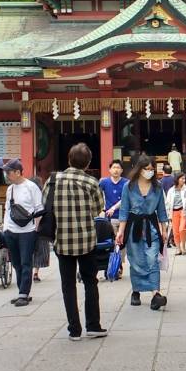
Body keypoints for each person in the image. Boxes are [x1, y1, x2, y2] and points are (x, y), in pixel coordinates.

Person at [49, 143, 108, 341]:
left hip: (62, 239)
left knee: (68, 285)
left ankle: (74, 329)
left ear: (69, 159)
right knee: (90, 281)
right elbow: (99, 208)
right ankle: (93, 325)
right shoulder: (91, 182)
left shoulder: (53, 180)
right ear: (88, 162)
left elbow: (45, 205)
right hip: (86, 240)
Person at [116, 155, 170, 310]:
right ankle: (136, 291)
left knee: (152, 259)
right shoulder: (129, 186)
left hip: (152, 227)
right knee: (136, 260)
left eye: (152, 169)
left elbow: (161, 210)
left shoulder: (158, 186)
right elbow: (124, 210)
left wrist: (164, 230)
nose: (150, 172)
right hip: (134, 227)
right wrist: (120, 231)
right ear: (139, 169)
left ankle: (156, 294)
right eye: (147, 169)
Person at [0, 159, 43, 307]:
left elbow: (39, 208)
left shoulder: (31, 187)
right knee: (16, 263)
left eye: (9, 172)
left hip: (27, 230)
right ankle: (21, 291)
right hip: (11, 229)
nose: (7, 175)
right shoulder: (10, 189)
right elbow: (7, 209)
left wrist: (35, 229)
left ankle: (24, 293)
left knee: (26, 262)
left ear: (18, 172)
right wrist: (5, 228)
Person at [99, 160, 129, 275]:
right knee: (111, 243)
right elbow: (97, 194)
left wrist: (113, 208)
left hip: (123, 218)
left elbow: (125, 198)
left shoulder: (126, 183)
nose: (116, 170)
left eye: (118, 168)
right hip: (109, 219)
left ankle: (119, 264)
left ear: (121, 170)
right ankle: (112, 265)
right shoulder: (104, 182)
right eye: (114, 167)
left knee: (121, 243)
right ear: (110, 170)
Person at [165, 172, 186, 255]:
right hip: (173, 212)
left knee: (182, 229)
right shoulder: (171, 190)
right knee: (175, 231)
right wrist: (168, 214)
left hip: (183, 211)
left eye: (184, 178)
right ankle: (178, 248)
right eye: (182, 179)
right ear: (177, 179)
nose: (184, 180)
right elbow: (168, 203)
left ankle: (183, 246)